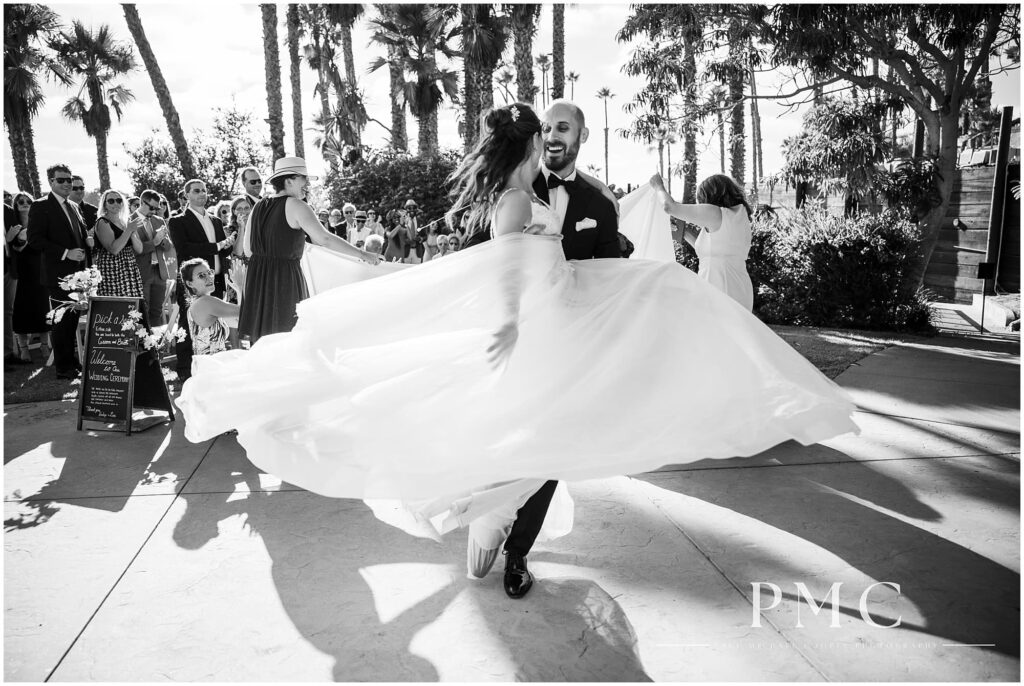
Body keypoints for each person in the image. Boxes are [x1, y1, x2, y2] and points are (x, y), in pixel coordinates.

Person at [175, 103, 858, 603]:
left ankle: (497, 520)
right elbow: (502, 265)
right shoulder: (512, 199)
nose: (551, 142)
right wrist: (503, 321)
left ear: (573, 138)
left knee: (581, 406)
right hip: (537, 324)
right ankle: (482, 511)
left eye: (564, 130)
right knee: (530, 434)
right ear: (534, 143)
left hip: (570, 311)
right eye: (544, 133)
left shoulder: (574, 197)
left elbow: (583, 250)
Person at [237, 157, 379, 345]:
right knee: (291, 340)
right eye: (304, 178)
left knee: (265, 345)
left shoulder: (258, 207)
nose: (308, 184)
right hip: (284, 281)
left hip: (259, 282)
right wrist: (362, 254)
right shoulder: (297, 206)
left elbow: (248, 251)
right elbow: (325, 239)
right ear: (289, 180)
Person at [650, 172, 754, 311]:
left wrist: (658, 187)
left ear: (711, 195)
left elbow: (670, 207)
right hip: (738, 286)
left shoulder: (716, 212)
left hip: (720, 286)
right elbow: (713, 252)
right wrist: (684, 233)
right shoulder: (738, 216)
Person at [27, 164, 93, 379]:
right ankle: (63, 368)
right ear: (51, 182)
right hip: (58, 276)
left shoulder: (74, 206)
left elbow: (79, 236)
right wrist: (66, 253)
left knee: (72, 321)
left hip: (79, 275)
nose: (67, 183)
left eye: (69, 179)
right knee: (62, 322)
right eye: (61, 180)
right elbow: (34, 240)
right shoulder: (40, 206)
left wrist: (87, 242)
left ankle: (71, 361)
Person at [169, 179, 235, 380]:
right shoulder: (177, 221)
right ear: (186, 195)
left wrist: (230, 242)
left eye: (204, 191)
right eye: (197, 191)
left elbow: (223, 251)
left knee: (214, 327)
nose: (202, 194)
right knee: (188, 327)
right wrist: (217, 246)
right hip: (193, 284)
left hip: (216, 281)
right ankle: (185, 372)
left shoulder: (215, 221)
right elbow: (184, 249)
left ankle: (213, 370)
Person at [10, 191, 52, 363]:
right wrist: (23, 237)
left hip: (40, 270)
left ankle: (44, 345)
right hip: (21, 272)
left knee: (42, 308)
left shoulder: (39, 223)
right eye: (21, 201)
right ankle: (23, 348)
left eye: (28, 201)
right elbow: (15, 249)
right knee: (21, 310)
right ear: (16, 205)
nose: (25, 203)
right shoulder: (12, 225)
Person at [179, 257, 242, 357]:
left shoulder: (201, 303)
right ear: (190, 283)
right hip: (212, 367)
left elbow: (240, 321)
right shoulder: (205, 302)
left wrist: (239, 290)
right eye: (202, 275)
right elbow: (244, 312)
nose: (209, 277)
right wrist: (241, 287)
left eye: (209, 272)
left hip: (213, 365)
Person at [131, 189, 175, 325]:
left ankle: (155, 344)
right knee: (143, 312)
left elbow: (168, 247)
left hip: (160, 271)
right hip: (142, 272)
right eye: (152, 208)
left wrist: (163, 240)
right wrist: (155, 241)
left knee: (157, 311)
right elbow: (136, 250)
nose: (155, 211)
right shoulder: (130, 221)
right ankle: (143, 345)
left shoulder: (159, 220)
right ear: (142, 202)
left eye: (157, 208)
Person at [94, 190, 144, 299]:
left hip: (129, 267)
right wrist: (129, 230)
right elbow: (114, 249)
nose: (115, 203)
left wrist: (131, 231)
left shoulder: (126, 221)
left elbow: (139, 249)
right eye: (111, 201)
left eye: (119, 200)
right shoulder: (102, 222)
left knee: (132, 306)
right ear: (105, 205)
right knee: (116, 306)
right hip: (112, 268)